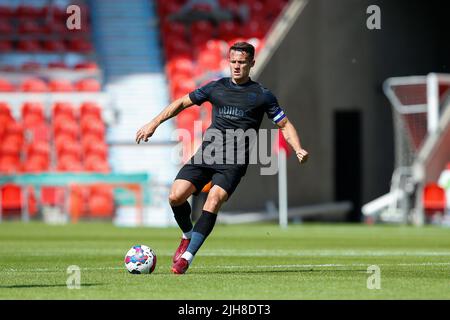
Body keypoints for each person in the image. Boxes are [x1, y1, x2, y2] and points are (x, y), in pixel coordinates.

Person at [136, 42, 309, 274]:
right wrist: (153, 123)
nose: (237, 67)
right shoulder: (215, 87)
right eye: (233, 62)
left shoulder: (262, 96)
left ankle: (187, 257)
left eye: (242, 63)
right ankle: (187, 236)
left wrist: (298, 148)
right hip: (208, 153)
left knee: (214, 199)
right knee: (175, 197)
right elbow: (180, 103)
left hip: (234, 162)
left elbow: (284, 124)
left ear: (252, 64)